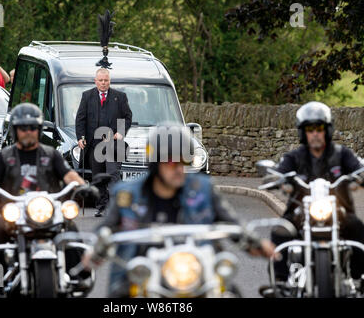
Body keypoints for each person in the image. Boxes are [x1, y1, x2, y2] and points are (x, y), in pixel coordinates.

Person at [83, 125, 276, 297]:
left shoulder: (203, 189)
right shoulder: (128, 194)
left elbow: (230, 221)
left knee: (230, 292)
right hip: (143, 270)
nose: (178, 169)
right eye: (171, 163)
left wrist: (256, 243)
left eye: (183, 162)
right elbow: (107, 227)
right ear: (155, 163)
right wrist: (95, 250)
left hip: (195, 267)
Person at [0, 103, 86, 295]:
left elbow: (69, 176)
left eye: (32, 127)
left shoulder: (51, 154)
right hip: (14, 212)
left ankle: (78, 276)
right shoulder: (4, 156)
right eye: (23, 128)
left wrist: (85, 187)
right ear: (16, 130)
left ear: (39, 129)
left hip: (48, 211)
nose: (28, 132)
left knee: (70, 227)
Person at [269, 101, 364, 283]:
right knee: (280, 230)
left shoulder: (342, 154)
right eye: (310, 129)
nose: (315, 134)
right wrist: (276, 180)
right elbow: (278, 173)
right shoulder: (294, 156)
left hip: (339, 213)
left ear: (327, 130)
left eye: (319, 128)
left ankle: (359, 276)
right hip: (300, 213)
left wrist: (360, 176)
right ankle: (280, 282)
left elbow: (357, 169)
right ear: (303, 132)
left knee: (358, 228)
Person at [75, 68, 132, 217]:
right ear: (96, 81)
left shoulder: (120, 97)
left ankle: (116, 206)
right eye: (100, 80)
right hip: (95, 144)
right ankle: (101, 206)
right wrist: (80, 137)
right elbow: (80, 119)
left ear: (109, 81)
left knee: (113, 175)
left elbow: (127, 117)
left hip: (114, 144)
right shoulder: (87, 96)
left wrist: (121, 131)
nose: (103, 83)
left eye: (106, 80)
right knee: (98, 177)